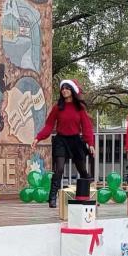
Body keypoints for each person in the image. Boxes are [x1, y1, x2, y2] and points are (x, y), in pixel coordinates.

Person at [32, 79, 94, 208]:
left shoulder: (79, 108)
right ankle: (52, 198)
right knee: (59, 169)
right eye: (63, 88)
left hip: (76, 140)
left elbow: (87, 126)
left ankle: (90, 195)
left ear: (72, 91)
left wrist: (90, 143)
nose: (64, 90)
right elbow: (49, 125)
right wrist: (38, 138)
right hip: (61, 140)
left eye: (67, 88)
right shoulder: (58, 107)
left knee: (82, 169)